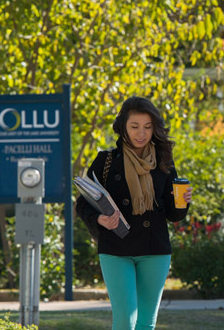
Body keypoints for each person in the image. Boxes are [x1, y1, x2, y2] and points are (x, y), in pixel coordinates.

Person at [75, 96, 193, 330]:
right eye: (135, 126)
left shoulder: (164, 161)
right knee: (125, 321)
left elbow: (173, 214)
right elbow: (82, 203)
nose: (142, 133)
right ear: (123, 128)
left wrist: (183, 203)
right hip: (116, 248)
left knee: (146, 323)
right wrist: (100, 219)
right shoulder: (106, 160)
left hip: (155, 250)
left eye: (148, 127)